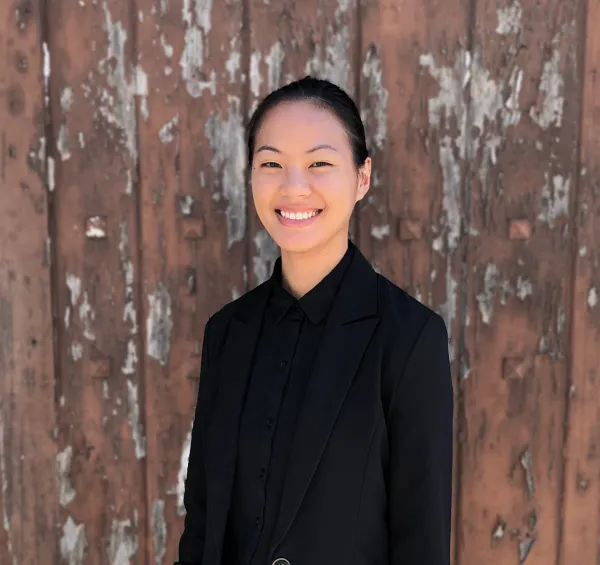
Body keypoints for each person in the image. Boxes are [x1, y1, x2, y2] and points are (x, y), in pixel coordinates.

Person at [175, 76, 453, 565]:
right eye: (272, 164)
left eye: (319, 163)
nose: (293, 186)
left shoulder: (410, 339)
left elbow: (422, 543)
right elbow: (201, 522)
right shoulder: (227, 332)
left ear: (362, 177)